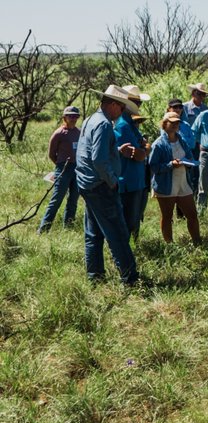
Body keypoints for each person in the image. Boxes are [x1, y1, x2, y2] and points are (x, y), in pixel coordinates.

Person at [76, 86, 140, 286]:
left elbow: (92, 153)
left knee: (93, 234)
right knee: (118, 234)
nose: (122, 112)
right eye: (121, 108)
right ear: (113, 104)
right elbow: (98, 160)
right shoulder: (104, 124)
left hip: (87, 184)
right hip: (101, 186)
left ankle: (95, 277)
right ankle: (130, 279)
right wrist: (112, 181)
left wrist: (116, 152)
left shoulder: (90, 119)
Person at [147, 110, 201, 245]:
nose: (175, 125)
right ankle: (169, 245)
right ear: (164, 124)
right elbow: (153, 166)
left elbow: (189, 157)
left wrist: (189, 163)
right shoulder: (158, 144)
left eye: (177, 123)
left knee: (192, 215)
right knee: (167, 217)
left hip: (183, 183)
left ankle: (197, 242)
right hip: (166, 185)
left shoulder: (181, 140)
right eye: (172, 123)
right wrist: (171, 165)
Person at [38, 106, 82, 233]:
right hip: (63, 169)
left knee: (73, 200)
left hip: (77, 169)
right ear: (64, 117)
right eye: (70, 116)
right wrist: (61, 166)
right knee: (56, 200)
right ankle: (43, 229)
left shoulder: (79, 132)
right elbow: (52, 154)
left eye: (76, 116)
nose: (73, 119)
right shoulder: (59, 133)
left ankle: (68, 228)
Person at [115, 85, 151, 239]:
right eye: (136, 102)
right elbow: (139, 155)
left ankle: (131, 248)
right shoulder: (123, 125)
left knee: (134, 219)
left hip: (136, 180)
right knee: (128, 221)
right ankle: (124, 250)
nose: (138, 105)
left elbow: (144, 147)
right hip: (128, 181)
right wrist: (145, 149)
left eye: (139, 102)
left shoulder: (130, 123)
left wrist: (144, 149)